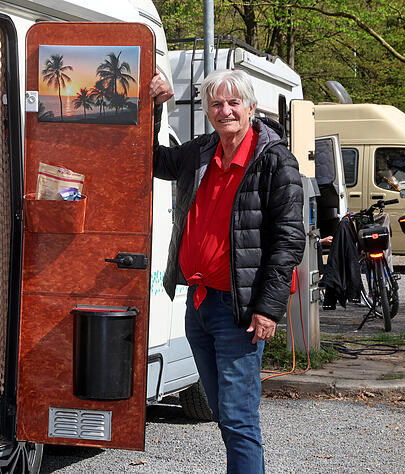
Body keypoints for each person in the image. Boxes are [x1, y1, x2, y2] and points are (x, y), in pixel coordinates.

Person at [149, 69, 305, 473]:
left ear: (251, 107)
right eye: (216, 103)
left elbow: (289, 241)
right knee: (225, 414)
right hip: (199, 305)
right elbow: (153, 160)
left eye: (234, 102)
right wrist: (155, 107)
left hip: (240, 311)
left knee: (238, 418)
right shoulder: (202, 151)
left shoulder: (275, 161)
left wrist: (268, 310)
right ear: (207, 111)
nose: (225, 110)